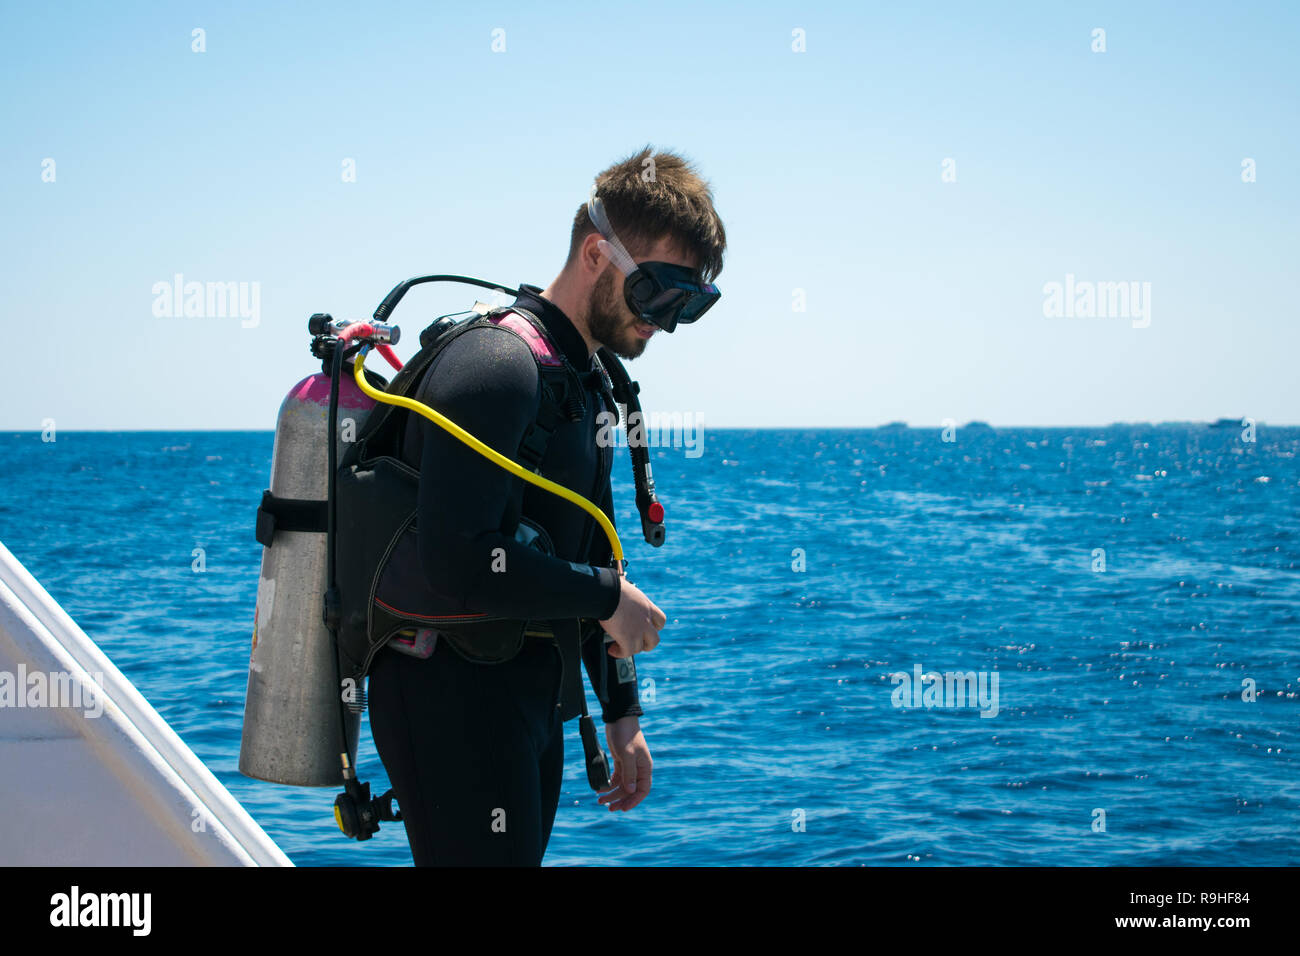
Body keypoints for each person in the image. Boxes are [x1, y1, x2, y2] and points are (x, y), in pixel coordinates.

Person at [366, 147, 727, 865]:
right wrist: (603, 598)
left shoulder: (585, 380)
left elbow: (591, 552)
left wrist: (622, 712)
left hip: (526, 694)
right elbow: (457, 558)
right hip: (449, 690)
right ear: (597, 253)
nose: (669, 321)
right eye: (658, 292)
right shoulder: (497, 367)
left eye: (690, 303)